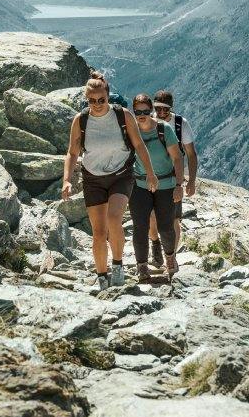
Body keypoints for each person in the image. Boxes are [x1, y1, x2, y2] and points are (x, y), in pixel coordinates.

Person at [61, 76, 158, 288]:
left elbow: (139, 145)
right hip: (92, 179)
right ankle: (102, 276)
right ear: (86, 99)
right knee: (98, 232)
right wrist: (67, 180)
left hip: (121, 175)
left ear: (108, 96)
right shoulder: (81, 120)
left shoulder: (123, 116)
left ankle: (118, 266)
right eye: (92, 100)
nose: (96, 104)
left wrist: (150, 173)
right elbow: (72, 151)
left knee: (114, 219)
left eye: (101, 99)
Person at [127, 93, 184, 281]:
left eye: (145, 110)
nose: (142, 114)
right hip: (140, 185)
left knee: (166, 226)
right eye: (138, 111)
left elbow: (177, 157)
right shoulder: (131, 130)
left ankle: (170, 257)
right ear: (133, 111)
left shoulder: (163, 129)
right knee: (140, 227)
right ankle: (142, 266)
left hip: (166, 185)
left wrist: (179, 185)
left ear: (151, 110)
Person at [149, 89, 199, 266]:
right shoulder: (147, 121)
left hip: (173, 178)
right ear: (154, 106)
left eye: (165, 110)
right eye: (158, 109)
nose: (162, 113)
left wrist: (191, 181)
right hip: (151, 177)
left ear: (171, 108)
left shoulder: (179, 124)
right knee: (152, 217)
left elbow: (191, 154)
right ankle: (155, 244)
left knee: (174, 219)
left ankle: (172, 256)